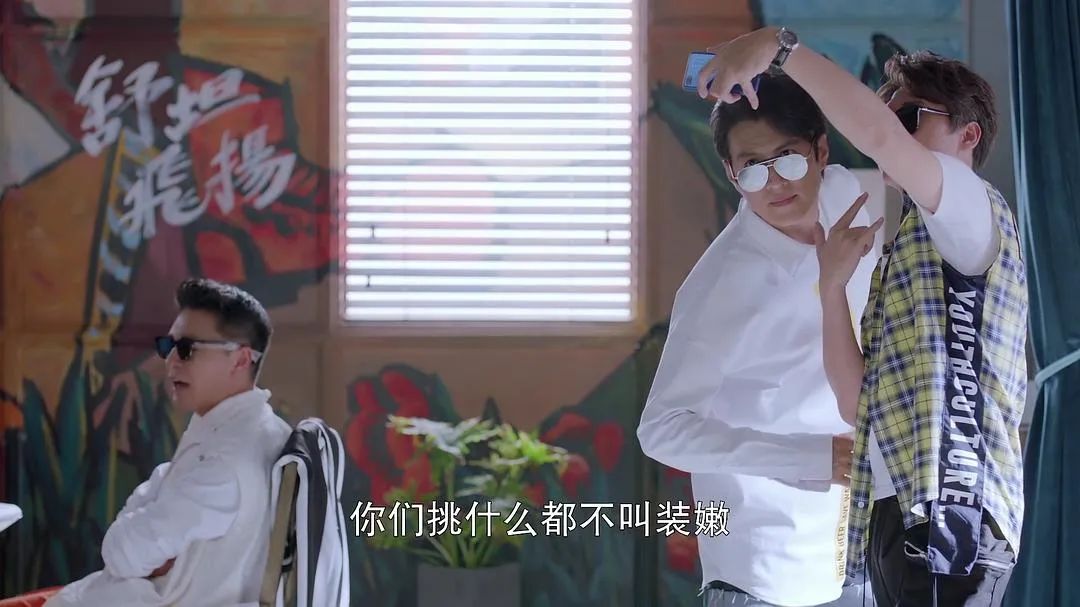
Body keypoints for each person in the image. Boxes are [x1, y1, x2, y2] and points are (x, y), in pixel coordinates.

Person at [697, 27, 1027, 607]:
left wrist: (778, 48)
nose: (890, 130)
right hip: (898, 519)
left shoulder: (972, 206)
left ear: (968, 134)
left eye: (910, 118)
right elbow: (859, 406)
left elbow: (875, 136)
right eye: (888, 115)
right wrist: (831, 289)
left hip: (954, 512)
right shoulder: (909, 253)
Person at [637, 71, 879, 607]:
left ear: (820, 151)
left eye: (788, 158)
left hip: (862, 546)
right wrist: (806, 457)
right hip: (763, 566)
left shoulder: (847, 196)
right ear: (731, 172)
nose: (774, 183)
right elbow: (661, 430)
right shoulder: (722, 284)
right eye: (751, 167)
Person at [45, 278, 293, 607]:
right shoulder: (254, 427)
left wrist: (150, 509)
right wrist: (162, 494)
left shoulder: (223, 465)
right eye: (168, 346)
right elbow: (161, 494)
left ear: (240, 359)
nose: (171, 360)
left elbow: (122, 555)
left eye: (187, 349)